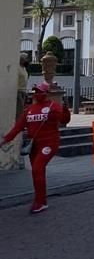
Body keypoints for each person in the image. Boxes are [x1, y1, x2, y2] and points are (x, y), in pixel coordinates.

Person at [1, 82, 70, 214]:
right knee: (37, 172)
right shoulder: (29, 110)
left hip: (49, 143)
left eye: (40, 91)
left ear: (46, 93)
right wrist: (5, 140)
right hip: (34, 145)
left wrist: (65, 109)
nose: (37, 94)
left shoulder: (53, 107)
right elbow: (18, 127)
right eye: (35, 91)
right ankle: (41, 200)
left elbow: (64, 120)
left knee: (38, 168)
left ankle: (40, 202)